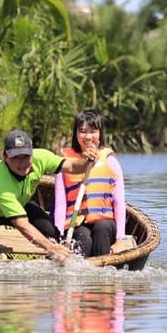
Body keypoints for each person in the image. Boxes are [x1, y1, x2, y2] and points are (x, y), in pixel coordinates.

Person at [0, 129, 97, 261]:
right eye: (16, 157)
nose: (22, 163)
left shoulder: (41, 157)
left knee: (53, 234)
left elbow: (71, 166)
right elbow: (22, 225)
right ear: (5, 157)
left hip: (21, 203)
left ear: (32, 153)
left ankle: (57, 262)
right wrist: (50, 247)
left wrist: (85, 161)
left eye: (26, 156)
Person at [50, 109, 127, 257]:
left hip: (105, 222)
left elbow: (119, 202)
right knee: (84, 239)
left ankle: (102, 269)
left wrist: (120, 239)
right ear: (76, 134)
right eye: (83, 131)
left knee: (102, 228)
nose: (88, 136)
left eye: (93, 131)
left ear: (100, 133)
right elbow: (61, 203)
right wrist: (59, 237)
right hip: (76, 223)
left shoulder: (111, 161)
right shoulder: (65, 163)